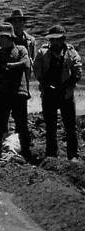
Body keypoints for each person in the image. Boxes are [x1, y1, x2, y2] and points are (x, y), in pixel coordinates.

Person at [33, 25, 82, 161]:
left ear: (63, 39)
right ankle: (51, 155)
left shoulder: (71, 52)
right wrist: (44, 84)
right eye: (52, 40)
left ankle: (73, 155)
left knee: (70, 126)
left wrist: (70, 86)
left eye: (57, 39)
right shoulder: (42, 52)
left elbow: (78, 70)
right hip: (48, 93)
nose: (54, 42)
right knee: (50, 127)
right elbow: (36, 69)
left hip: (66, 93)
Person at [0, 23, 32, 161]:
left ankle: (26, 153)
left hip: (18, 93)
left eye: (2, 37)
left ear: (10, 38)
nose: (0, 40)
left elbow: (26, 63)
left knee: (22, 125)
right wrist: (15, 68)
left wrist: (9, 66)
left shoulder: (21, 49)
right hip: (2, 95)